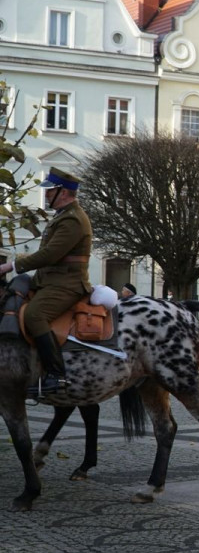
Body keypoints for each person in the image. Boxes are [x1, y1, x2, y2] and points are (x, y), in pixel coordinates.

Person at [0, 167, 92, 398]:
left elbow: (50, 254)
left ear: (63, 193)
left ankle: (56, 374)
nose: (47, 195)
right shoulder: (62, 215)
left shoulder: (73, 220)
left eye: (50, 191)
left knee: (34, 315)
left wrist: (10, 266)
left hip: (67, 284)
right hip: (48, 281)